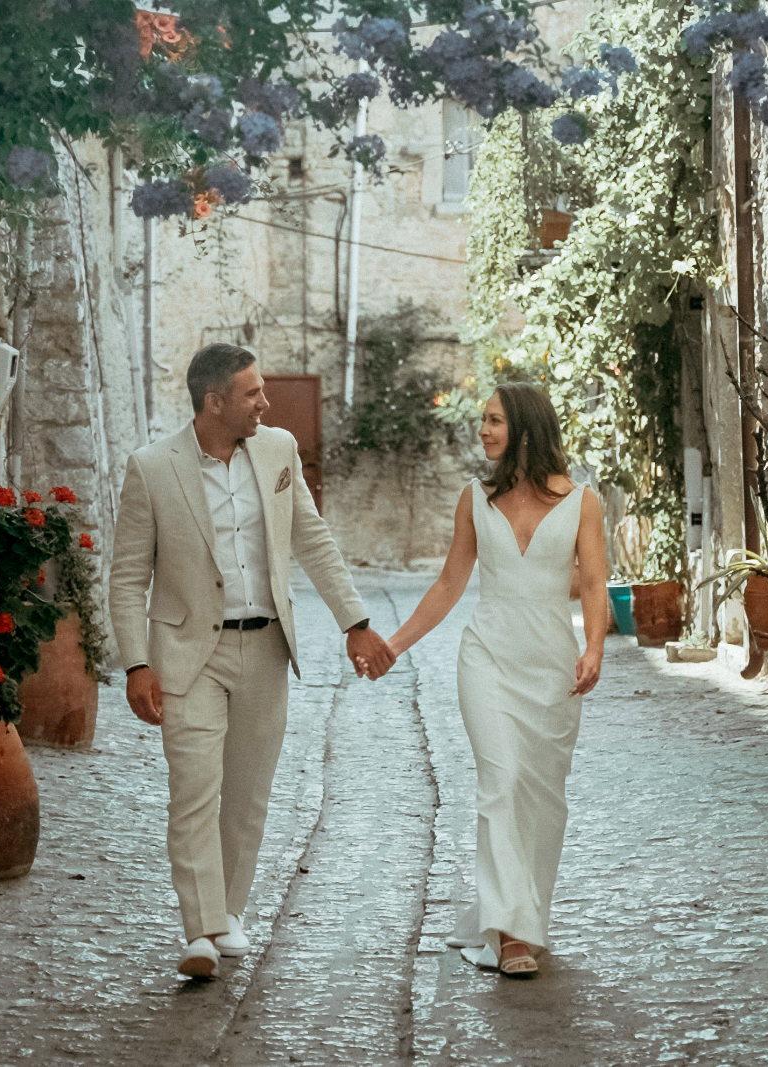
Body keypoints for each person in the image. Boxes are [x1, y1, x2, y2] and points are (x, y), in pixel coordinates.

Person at [108, 342, 397, 980]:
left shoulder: (278, 450)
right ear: (214, 402)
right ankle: (199, 931)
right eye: (252, 393)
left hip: (266, 647)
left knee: (247, 793)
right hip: (188, 653)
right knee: (193, 789)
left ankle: (228, 913)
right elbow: (127, 578)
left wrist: (355, 623)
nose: (265, 403)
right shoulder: (152, 468)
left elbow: (312, 539)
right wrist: (135, 664)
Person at [383, 382, 608, 976]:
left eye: (494, 421)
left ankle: (520, 911)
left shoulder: (583, 502)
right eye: (483, 420)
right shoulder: (474, 500)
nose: (482, 431)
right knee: (501, 784)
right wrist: (395, 645)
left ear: (526, 429)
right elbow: (449, 584)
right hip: (486, 659)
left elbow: (593, 583)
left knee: (543, 799)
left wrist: (593, 647)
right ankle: (511, 935)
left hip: (553, 668)